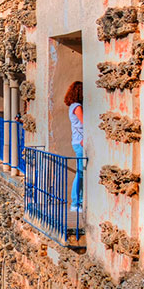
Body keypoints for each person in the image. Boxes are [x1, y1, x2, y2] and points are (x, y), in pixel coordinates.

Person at [66, 82, 85, 213]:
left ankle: (79, 201)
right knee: (80, 172)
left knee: (81, 172)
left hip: (77, 142)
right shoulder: (77, 107)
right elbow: (85, 123)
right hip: (80, 142)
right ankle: (75, 202)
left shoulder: (72, 106)